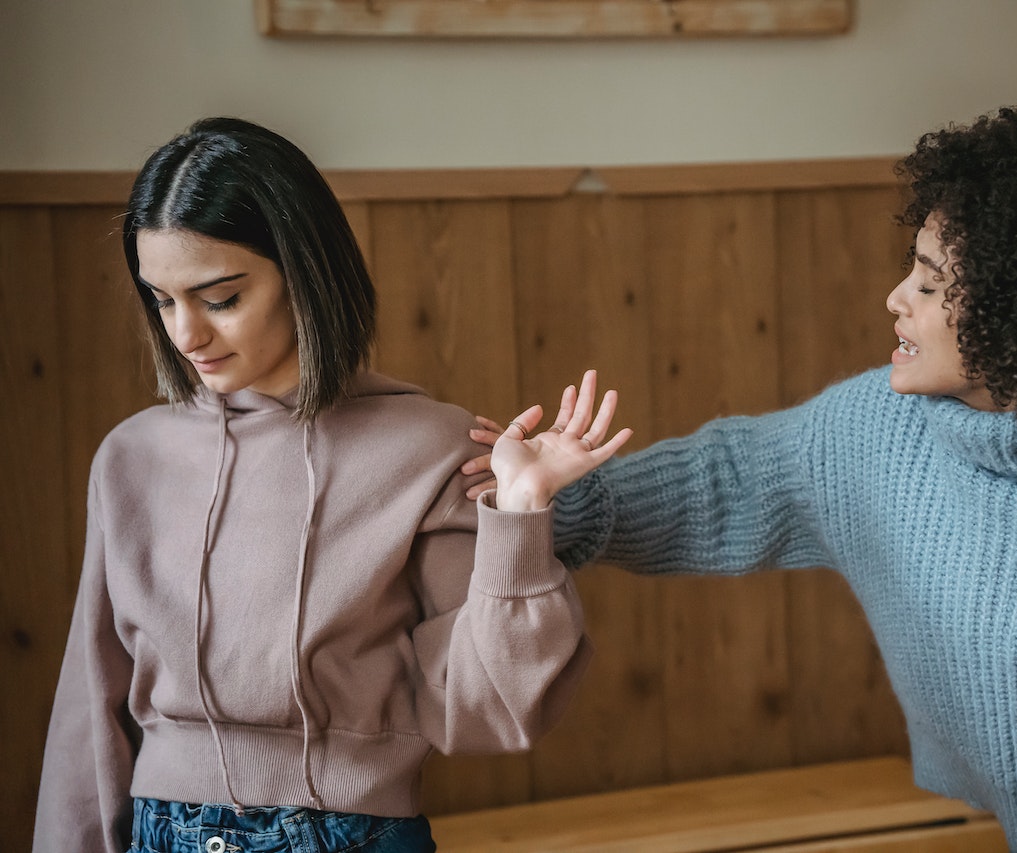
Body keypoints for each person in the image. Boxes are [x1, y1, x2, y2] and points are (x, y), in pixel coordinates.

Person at [464, 106, 1017, 851]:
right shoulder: (883, 428)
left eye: (930, 283)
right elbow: (728, 483)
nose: (896, 298)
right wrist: (546, 502)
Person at [33, 117, 631, 853]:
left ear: (304, 274)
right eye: (162, 299)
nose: (185, 335)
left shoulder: (429, 448)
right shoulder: (130, 458)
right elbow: (89, 706)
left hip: (348, 835)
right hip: (162, 833)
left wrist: (521, 512)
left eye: (219, 298)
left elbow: (492, 709)